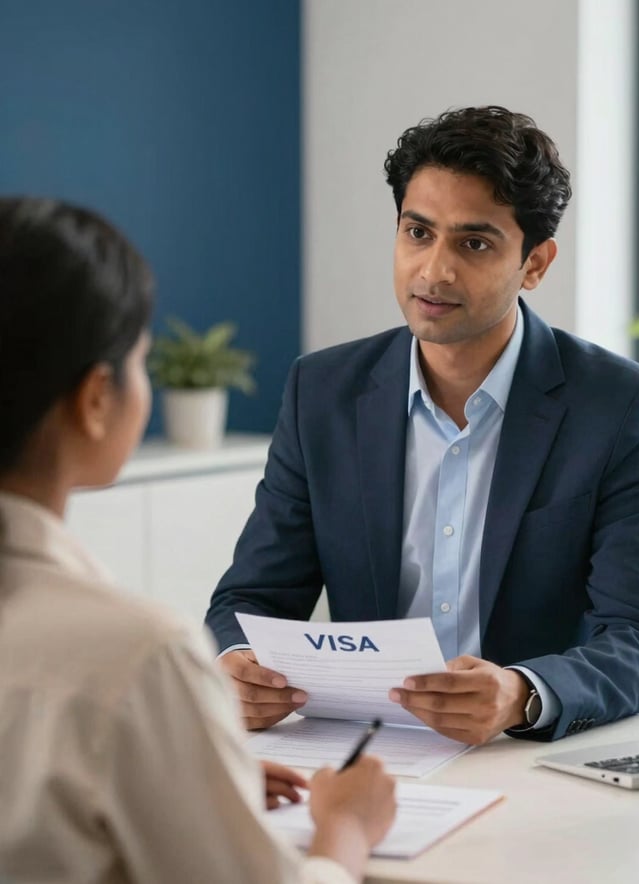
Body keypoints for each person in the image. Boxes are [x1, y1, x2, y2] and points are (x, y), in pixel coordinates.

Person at [206, 106, 639, 745]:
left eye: (474, 243)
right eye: (418, 232)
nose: (434, 271)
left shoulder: (618, 405)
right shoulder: (322, 391)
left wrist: (522, 693)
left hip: (529, 755)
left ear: (535, 263)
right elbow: (249, 600)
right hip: (366, 751)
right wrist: (234, 666)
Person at [0, 197, 395, 884]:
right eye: (143, 359)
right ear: (97, 399)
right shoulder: (137, 655)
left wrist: (197, 769)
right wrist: (347, 833)